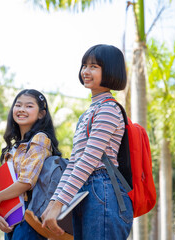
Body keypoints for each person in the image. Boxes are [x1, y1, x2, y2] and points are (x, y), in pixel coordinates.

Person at [42, 44, 133, 239]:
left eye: (94, 66)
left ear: (110, 70)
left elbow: (89, 160)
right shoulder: (88, 113)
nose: (86, 71)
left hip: (104, 190)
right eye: (84, 65)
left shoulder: (109, 109)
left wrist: (59, 204)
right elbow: (74, 163)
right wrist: (54, 202)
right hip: (85, 191)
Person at [0, 89, 60, 240]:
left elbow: (26, 182)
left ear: (41, 114)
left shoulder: (40, 139)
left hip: (29, 214)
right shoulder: (13, 148)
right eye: (18, 105)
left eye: (29, 106)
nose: (21, 109)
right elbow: (7, 186)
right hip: (10, 216)